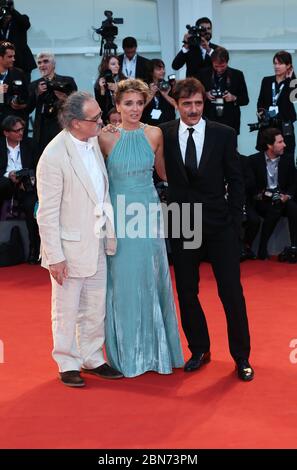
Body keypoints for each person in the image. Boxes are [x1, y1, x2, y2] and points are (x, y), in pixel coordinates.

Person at [160, 77, 254, 381]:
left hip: (219, 222)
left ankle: (241, 357)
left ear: (204, 103)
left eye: (198, 103)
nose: (193, 109)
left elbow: (236, 178)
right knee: (187, 290)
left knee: (231, 291)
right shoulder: (163, 133)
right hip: (183, 219)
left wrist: (233, 216)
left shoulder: (223, 134)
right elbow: (132, 135)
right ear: (176, 103)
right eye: (186, 104)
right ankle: (199, 349)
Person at [36, 91, 123, 387]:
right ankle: (66, 360)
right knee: (66, 307)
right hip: (68, 247)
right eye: (95, 118)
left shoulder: (92, 142)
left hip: (97, 238)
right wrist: (55, 257)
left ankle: (92, 356)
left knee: (95, 303)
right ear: (75, 123)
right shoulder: (53, 155)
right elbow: (46, 213)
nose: (101, 120)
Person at [99, 78, 184, 377]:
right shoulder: (104, 138)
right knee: (122, 281)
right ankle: (126, 352)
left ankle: (156, 353)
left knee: (151, 277)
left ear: (145, 103)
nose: (134, 109)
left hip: (147, 212)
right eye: (128, 103)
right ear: (118, 106)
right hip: (119, 215)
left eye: (139, 103)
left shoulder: (155, 133)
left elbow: (162, 173)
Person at [248, 127, 297, 260]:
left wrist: (286, 196)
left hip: (282, 199)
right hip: (262, 202)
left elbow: (294, 183)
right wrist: (261, 194)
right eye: (280, 142)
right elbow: (250, 187)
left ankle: (294, 247)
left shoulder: (287, 160)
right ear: (270, 145)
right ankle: (262, 248)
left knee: (293, 207)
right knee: (275, 208)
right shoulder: (253, 161)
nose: (284, 145)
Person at [0, 115, 39, 263]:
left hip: (25, 184)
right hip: (4, 183)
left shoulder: (30, 145)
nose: (21, 133)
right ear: (6, 133)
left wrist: (24, 177)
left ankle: (34, 250)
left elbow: (38, 167)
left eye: (22, 129)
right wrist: (8, 176)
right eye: (16, 131)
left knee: (32, 206)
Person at [28, 51, 77, 161]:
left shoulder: (67, 81)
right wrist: (37, 93)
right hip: (42, 128)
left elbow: (75, 104)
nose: (42, 65)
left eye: (45, 61)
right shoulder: (34, 85)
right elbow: (28, 108)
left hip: (61, 125)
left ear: (53, 64)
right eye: (39, 63)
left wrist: (64, 98)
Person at [200, 47, 249, 138]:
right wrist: (205, 95)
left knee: (230, 150)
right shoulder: (203, 74)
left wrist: (233, 98)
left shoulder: (237, 75)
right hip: (208, 120)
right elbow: (195, 96)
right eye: (216, 66)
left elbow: (245, 100)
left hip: (230, 121)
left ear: (227, 62)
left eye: (222, 66)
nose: (219, 69)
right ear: (212, 62)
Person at [256, 50, 296, 155]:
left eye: (280, 63)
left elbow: (294, 98)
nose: (276, 66)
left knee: (286, 159)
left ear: (288, 66)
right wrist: (260, 112)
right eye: (275, 63)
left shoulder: (292, 83)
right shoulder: (267, 80)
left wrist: (290, 79)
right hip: (268, 126)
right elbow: (260, 102)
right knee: (265, 157)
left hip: (284, 127)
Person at [172, 17, 218, 81]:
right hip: (192, 88)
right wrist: (185, 47)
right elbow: (175, 66)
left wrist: (208, 49)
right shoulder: (190, 48)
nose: (207, 31)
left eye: (209, 28)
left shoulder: (217, 49)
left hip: (211, 88)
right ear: (198, 30)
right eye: (203, 29)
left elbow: (221, 64)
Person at [0, 1, 36, 82]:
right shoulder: (2, 25)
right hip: (5, 64)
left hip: (21, 62)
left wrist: (11, 10)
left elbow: (26, 23)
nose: (6, 16)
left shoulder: (20, 20)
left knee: (23, 89)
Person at [0, 40, 28, 127]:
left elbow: (27, 98)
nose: (13, 59)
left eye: (13, 56)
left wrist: (21, 105)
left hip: (13, 124)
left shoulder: (19, 73)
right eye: (9, 56)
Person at [141, 58, 176, 126]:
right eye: (159, 69)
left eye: (163, 69)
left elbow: (177, 105)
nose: (163, 71)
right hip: (147, 124)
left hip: (167, 124)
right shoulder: (143, 86)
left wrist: (165, 95)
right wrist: (151, 95)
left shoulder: (168, 85)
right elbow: (138, 107)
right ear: (151, 72)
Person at [94, 55, 125, 124]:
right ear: (106, 66)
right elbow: (100, 107)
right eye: (113, 64)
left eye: (118, 64)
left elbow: (127, 100)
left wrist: (117, 90)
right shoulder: (100, 82)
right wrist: (102, 90)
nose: (117, 66)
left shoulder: (124, 81)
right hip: (108, 119)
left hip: (123, 116)